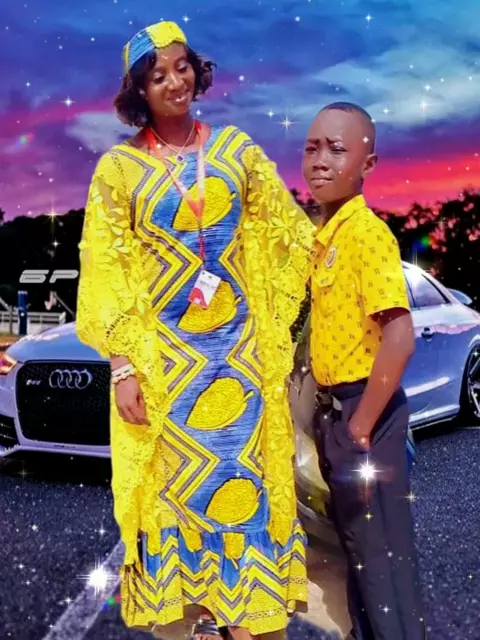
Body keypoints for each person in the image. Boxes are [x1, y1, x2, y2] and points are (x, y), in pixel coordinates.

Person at [76, 20, 313, 640]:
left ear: (197, 70)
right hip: (167, 372)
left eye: (182, 67)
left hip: (239, 359)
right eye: (158, 75)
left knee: (244, 483)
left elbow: (289, 232)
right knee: (177, 490)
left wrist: (283, 315)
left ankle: (246, 614)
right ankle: (198, 615)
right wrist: (123, 366)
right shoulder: (119, 169)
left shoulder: (236, 150)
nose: (174, 82)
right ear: (139, 91)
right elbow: (106, 269)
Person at [302, 102, 425, 640]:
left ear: (367, 165)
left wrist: (359, 426)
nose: (320, 160)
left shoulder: (367, 236)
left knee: (382, 561)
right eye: (312, 147)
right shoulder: (328, 237)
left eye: (336, 149)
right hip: (339, 414)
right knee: (357, 552)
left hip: (365, 414)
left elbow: (400, 337)